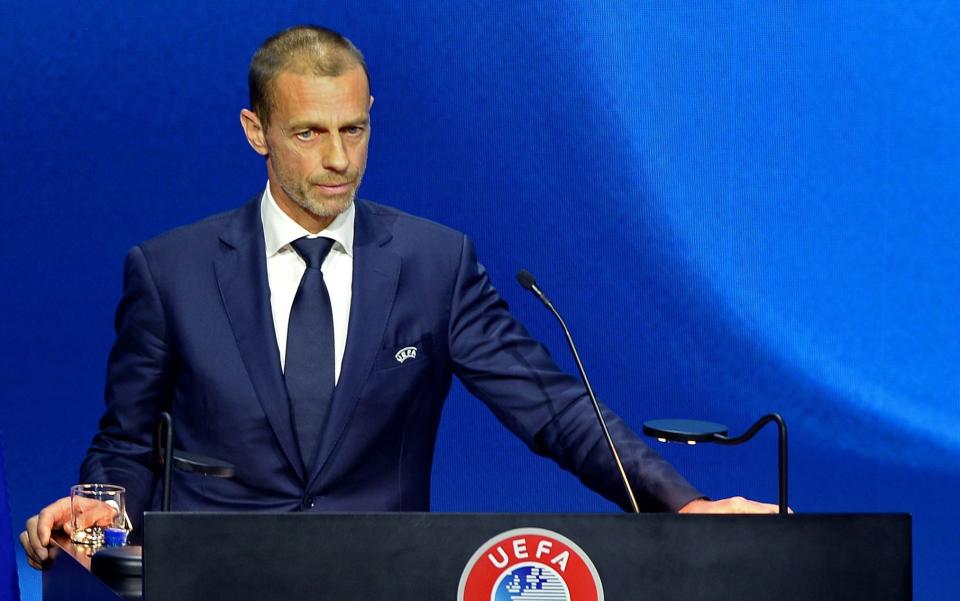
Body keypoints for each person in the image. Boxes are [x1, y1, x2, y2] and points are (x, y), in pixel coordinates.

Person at [20, 25, 777, 569]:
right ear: (257, 131)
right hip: (217, 581)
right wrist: (100, 512)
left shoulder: (433, 263)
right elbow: (126, 440)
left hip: (382, 580)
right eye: (310, 133)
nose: (340, 159)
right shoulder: (169, 270)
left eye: (355, 127)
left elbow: (553, 409)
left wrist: (681, 503)